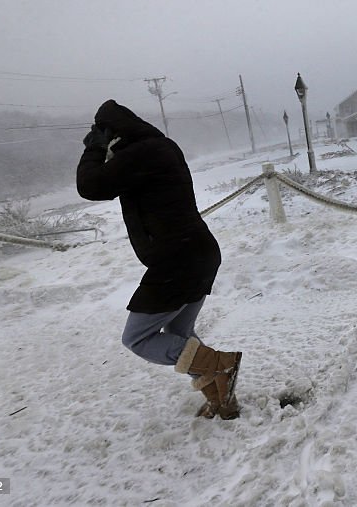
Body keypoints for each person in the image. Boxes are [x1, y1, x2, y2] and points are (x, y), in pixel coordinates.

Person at [76, 99, 242, 419]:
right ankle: (222, 399)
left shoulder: (142, 153)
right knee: (180, 334)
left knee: (137, 338)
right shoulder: (158, 148)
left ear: (111, 133)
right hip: (196, 253)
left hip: (177, 259)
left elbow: (91, 185)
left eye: (101, 134)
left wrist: (93, 150)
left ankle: (223, 366)